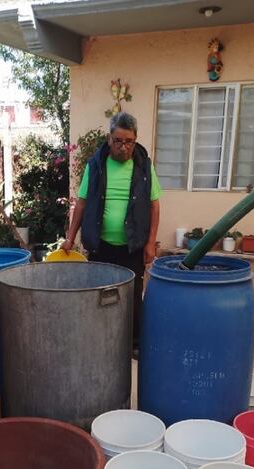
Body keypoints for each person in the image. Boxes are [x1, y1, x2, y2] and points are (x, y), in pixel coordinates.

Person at [62, 112, 161, 351]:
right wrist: (70, 238)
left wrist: (150, 243)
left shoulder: (144, 166)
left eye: (129, 141)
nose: (123, 147)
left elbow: (154, 205)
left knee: (133, 296)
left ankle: (133, 344)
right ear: (109, 139)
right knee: (100, 296)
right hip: (101, 245)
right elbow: (82, 203)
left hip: (132, 246)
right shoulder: (95, 165)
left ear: (135, 141)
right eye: (118, 140)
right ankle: (100, 340)